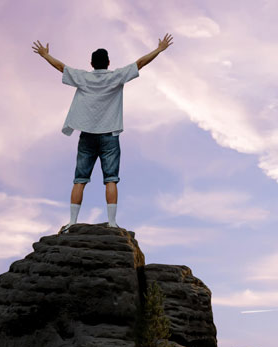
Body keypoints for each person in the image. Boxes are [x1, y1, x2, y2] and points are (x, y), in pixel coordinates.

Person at [31, 34, 173, 231]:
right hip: (110, 136)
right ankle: (112, 222)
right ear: (108, 63)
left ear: (91, 63)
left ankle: (72, 222)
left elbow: (61, 67)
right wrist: (159, 49)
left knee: (80, 179)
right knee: (111, 179)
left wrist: (46, 55)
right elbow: (140, 63)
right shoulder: (116, 76)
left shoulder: (84, 77)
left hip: (87, 135)